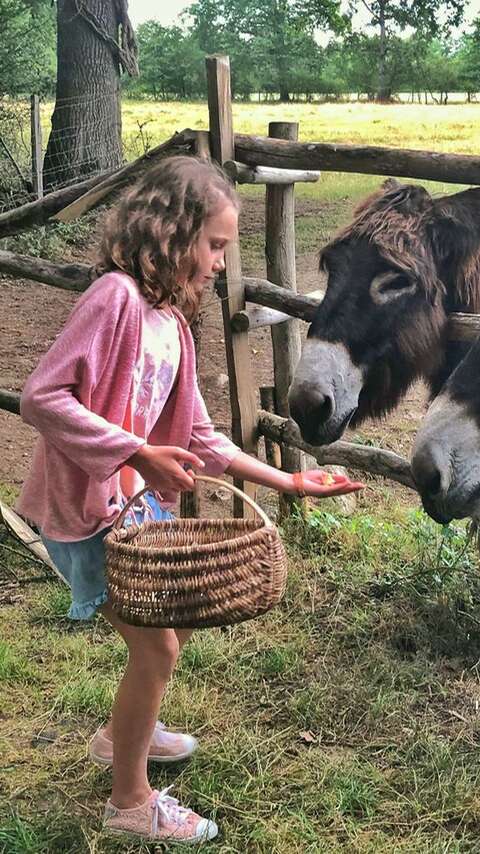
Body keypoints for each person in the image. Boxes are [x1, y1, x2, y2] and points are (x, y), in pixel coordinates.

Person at [17, 155, 363, 845]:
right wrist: (133, 451)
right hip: (88, 511)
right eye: (212, 246)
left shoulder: (169, 322)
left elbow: (199, 436)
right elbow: (42, 396)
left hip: (131, 515)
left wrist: (288, 481)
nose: (216, 264)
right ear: (168, 234)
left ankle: (119, 738)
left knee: (158, 645)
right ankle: (129, 801)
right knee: (158, 653)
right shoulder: (113, 298)